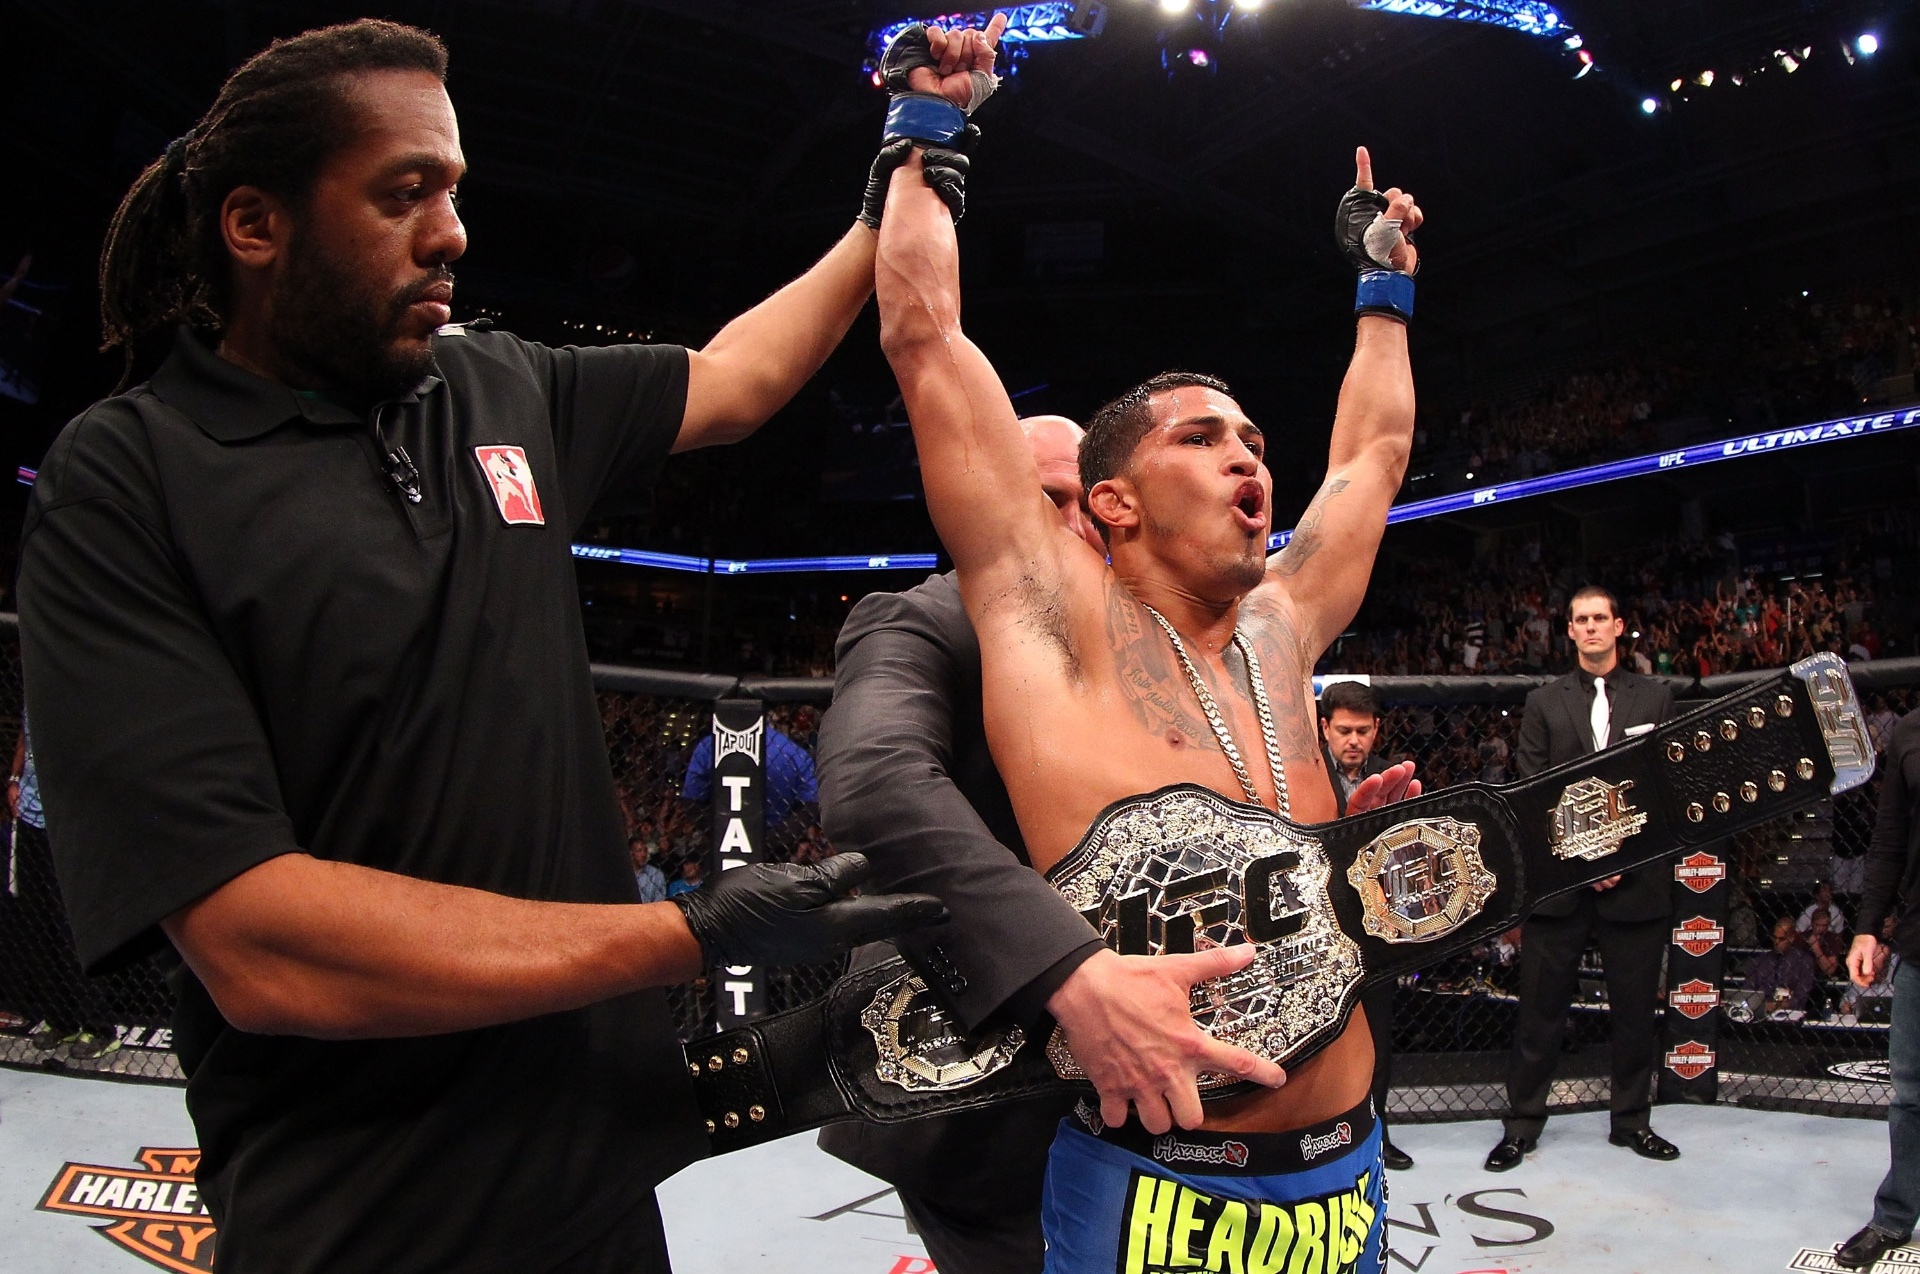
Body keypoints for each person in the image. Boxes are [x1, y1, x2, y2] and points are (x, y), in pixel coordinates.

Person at [17, 20, 952, 1272]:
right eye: (403, 193)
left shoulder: (495, 389)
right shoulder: (130, 477)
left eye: (452, 190)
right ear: (256, 225)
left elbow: (740, 376)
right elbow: (258, 943)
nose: (451, 230)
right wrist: (686, 936)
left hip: (597, 1171)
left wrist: (902, 167)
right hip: (361, 1204)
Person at [876, 139, 1423, 1270]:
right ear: (1112, 500)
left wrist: (1383, 288)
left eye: (1253, 442)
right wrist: (927, 132)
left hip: (1349, 1170)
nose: (1245, 458)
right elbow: (927, 341)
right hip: (1166, 1187)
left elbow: (1373, 450)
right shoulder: (1049, 636)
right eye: (1202, 436)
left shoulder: (1282, 628)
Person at [818, 416, 1421, 1272]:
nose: (1072, 527)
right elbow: (875, 786)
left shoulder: (1157, 631)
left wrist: (1316, 840)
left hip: (1178, 1119)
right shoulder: (926, 620)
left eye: (1085, 504)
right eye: (1044, 500)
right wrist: (1066, 968)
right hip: (992, 1099)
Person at [1486, 585, 1681, 1171]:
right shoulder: (1545, 702)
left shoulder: (1657, 697)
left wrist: (1615, 856)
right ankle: (1521, 1125)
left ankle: (1631, 1122)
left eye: (1600, 618)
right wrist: (1587, 859)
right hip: (1562, 885)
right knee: (1539, 1012)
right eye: (1581, 620)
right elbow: (1534, 791)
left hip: (1636, 882)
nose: (1591, 627)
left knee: (1631, 1012)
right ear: (1569, 631)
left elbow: (1663, 786)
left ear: (1619, 626)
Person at [1318, 679, 1418, 1172]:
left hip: (1377, 930)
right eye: (1343, 730)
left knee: (1376, 1034)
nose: (1353, 740)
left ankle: (1377, 1137)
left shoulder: (1395, 778)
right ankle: (1322, 1138)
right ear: (1325, 729)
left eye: (1362, 730)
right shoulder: (1302, 774)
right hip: (1317, 928)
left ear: (1376, 729)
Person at [1836, 706, 1920, 1268]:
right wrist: (1867, 927)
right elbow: (1889, 839)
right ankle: (1894, 1218)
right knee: (1911, 1092)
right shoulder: (1912, 729)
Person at [1745, 917, 1819, 1013]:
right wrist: (1762, 1004)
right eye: (1774, 938)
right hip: (1760, 1011)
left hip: (1791, 1014)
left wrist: (1779, 1005)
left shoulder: (1804, 962)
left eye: (1781, 939)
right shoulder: (1760, 961)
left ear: (1791, 938)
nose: (1776, 942)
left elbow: (1801, 997)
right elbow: (1747, 991)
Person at [631, 837, 668, 904]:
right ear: (631, 853)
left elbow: (660, 901)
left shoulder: (656, 874)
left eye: (645, 851)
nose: (643, 854)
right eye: (639, 851)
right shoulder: (623, 874)